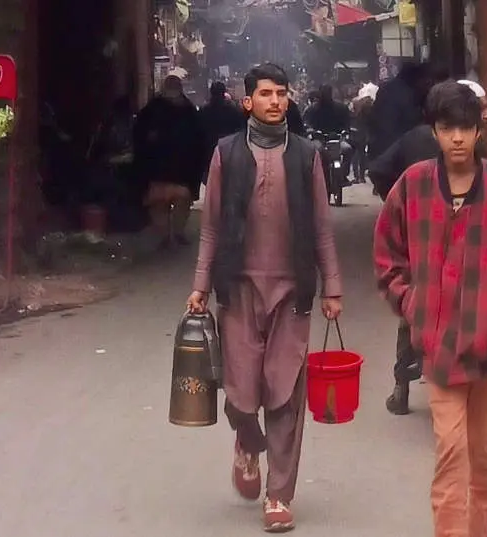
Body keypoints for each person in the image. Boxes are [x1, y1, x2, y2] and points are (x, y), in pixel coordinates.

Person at [374, 81, 487, 537]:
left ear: (477, 131)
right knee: (450, 457)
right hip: (439, 350)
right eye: (447, 128)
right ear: (433, 130)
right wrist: (413, 304)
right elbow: (387, 256)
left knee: (486, 464)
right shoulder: (411, 187)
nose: (456, 138)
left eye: (465, 128)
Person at [187, 63, 343, 533]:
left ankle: (278, 495)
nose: (276, 101)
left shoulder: (307, 156)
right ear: (247, 101)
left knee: (284, 392)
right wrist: (199, 285)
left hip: (292, 290)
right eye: (266, 94)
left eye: (282, 94)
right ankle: (246, 444)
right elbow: (211, 226)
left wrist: (332, 286)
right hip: (237, 288)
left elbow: (320, 228)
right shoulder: (226, 154)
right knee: (239, 393)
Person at [370, 79, 487, 415]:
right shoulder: (416, 176)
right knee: (414, 311)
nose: (459, 136)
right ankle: (405, 381)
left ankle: (407, 386)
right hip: (424, 251)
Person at [133, 75, 205, 247]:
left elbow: (139, 135)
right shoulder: (188, 110)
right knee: (178, 204)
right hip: (180, 172)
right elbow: (199, 140)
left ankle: (167, 235)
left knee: (160, 206)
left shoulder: (152, 108)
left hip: (159, 170)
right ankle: (176, 234)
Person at [198, 81, 244, 175]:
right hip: (229, 151)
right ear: (224, 92)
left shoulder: (204, 111)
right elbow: (241, 129)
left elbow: (197, 133)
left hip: (208, 152)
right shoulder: (233, 110)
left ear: (211, 92)